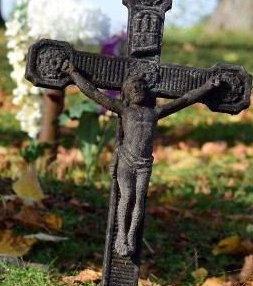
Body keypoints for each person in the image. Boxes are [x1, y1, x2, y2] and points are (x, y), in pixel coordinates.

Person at [61, 60, 220, 257]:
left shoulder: (156, 112)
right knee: (126, 197)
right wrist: (73, 73)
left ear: (147, 91)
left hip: (144, 163)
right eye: (132, 88)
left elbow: (186, 99)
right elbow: (94, 93)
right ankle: (121, 235)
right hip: (127, 159)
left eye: (140, 87)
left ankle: (131, 236)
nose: (137, 90)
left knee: (139, 201)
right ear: (126, 93)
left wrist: (207, 86)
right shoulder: (124, 110)